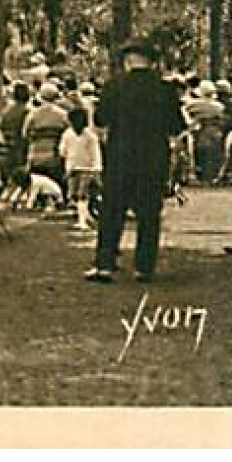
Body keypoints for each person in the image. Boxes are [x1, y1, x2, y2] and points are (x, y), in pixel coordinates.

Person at [87, 38, 185, 284]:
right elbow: (176, 126)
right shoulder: (165, 89)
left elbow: (100, 120)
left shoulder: (114, 86)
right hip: (153, 158)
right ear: (152, 61)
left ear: (127, 60)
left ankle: (105, 264)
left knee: (112, 210)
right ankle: (144, 267)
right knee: (149, 213)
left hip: (120, 156)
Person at [59, 105, 103, 230]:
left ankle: (82, 221)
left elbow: (96, 154)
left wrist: (97, 170)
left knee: (82, 195)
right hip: (72, 169)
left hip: (87, 169)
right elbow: (63, 151)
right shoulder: (68, 134)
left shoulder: (90, 136)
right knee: (74, 195)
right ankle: (85, 216)